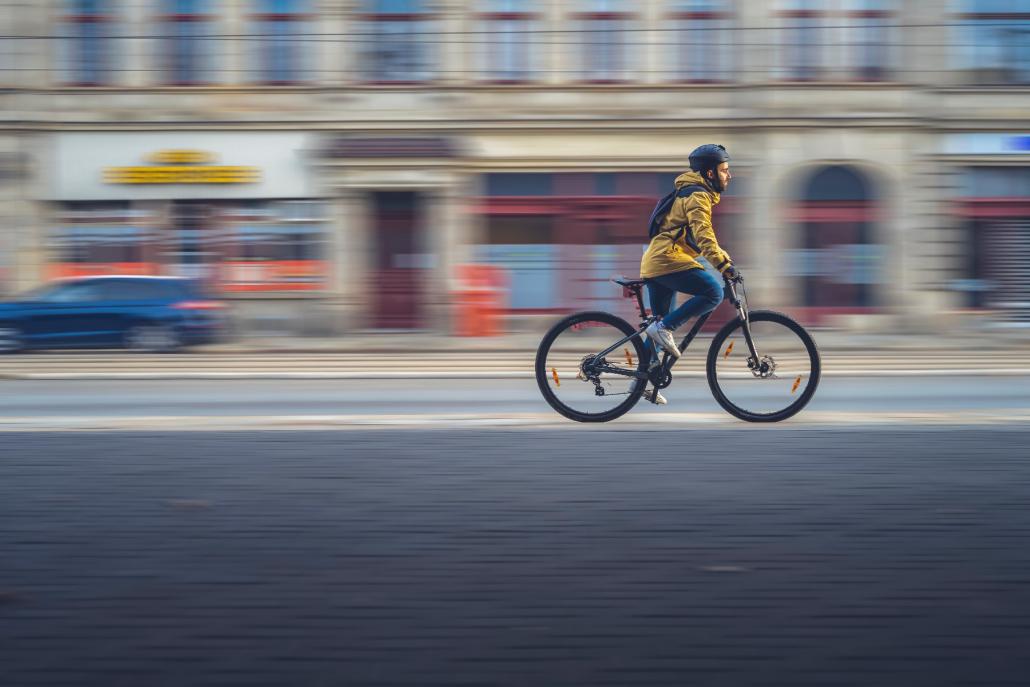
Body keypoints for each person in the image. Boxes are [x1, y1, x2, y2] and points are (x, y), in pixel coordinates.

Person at [638, 143, 739, 405]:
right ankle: (663, 329)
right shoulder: (698, 196)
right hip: (668, 260)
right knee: (713, 292)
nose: (729, 175)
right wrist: (723, 265)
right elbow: (704, 235)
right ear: (709, 174)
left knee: (657, 330)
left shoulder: (689, 192)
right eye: (724, 170)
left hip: (657, 262)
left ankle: (638, 384)